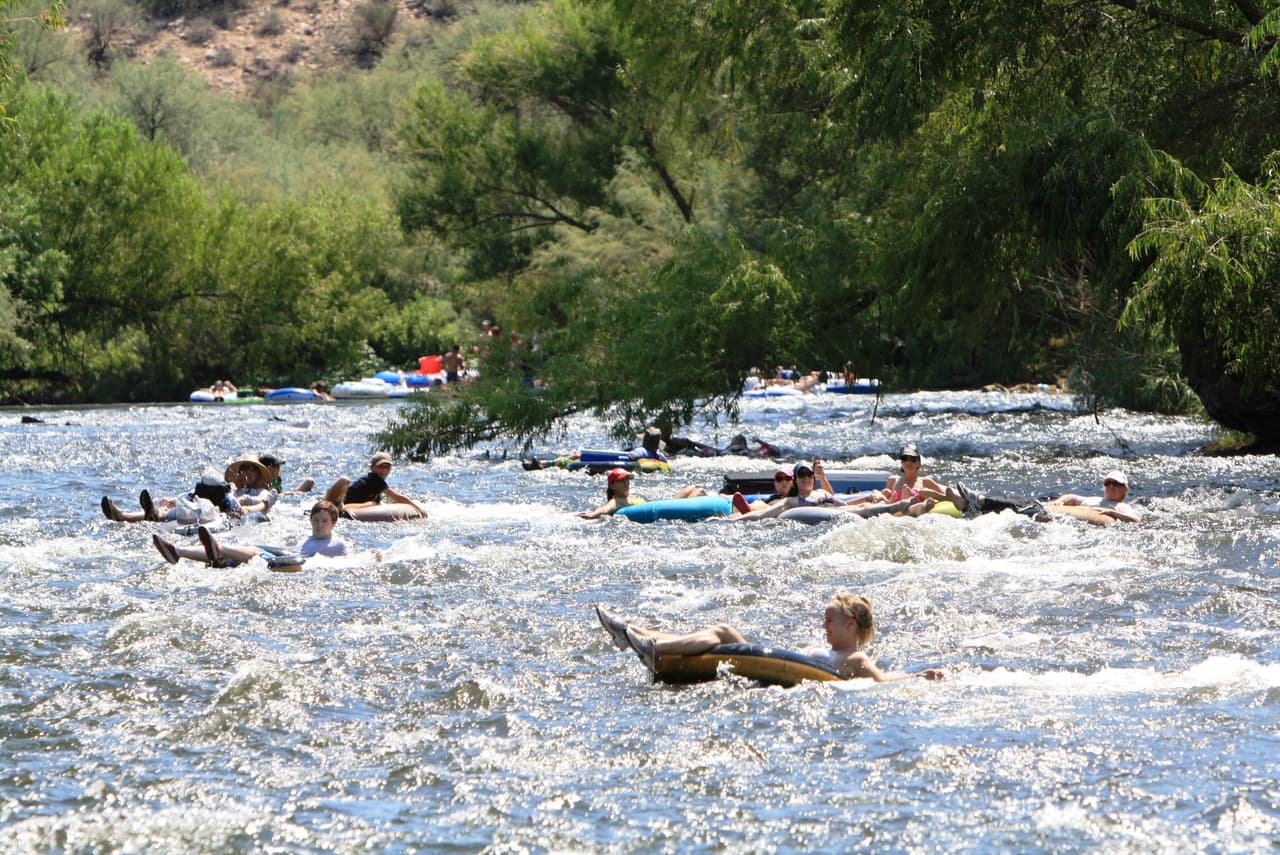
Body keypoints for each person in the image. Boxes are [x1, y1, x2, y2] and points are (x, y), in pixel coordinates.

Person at [596, 595, 945, 682]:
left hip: (788, 672)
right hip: (778, 663)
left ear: (851, 626)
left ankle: (648, 644)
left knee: (721, 631)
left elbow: (881, 682)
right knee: (721, 631)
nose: (825, 626)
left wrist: (919, 676)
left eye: (830, 621)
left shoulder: (855, 660)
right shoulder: (831, 650)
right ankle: (637, 634)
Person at [151, 500, 358, 569]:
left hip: (294, 565)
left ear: (333, 523)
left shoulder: (337, 543)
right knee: (249, 549)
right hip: (287, 557)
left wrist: (374, 558)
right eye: (315, 520)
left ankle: (218, 548)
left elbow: (351, 562)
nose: (319, 525)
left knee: (252, 551)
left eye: (324, 521)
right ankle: (177, 551)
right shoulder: (308, 539)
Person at [102, 471, 243, 523]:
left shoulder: (230, 500)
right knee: (164, 512)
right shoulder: (198, 491)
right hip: (194, 511)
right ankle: (122, 515)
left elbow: (239, 513)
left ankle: (155, 515)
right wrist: (173, 501)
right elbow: (187, 498)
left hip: (212, 517)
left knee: (164, 514)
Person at [844, 443, 944, 517]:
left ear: (918, 463)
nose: (908, 462)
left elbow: (944, 496)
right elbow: (885, 500)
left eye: (912, 459)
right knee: (866, 503)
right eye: (905, 459)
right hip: (893, 514)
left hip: (913, 514)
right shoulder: (894, 480)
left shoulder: (925, 482)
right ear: (901, 462)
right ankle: (840, 505)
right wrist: (877, 494)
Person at [323, 452, 428, 520]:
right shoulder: (374, 478)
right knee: (372, 503)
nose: (384, 470)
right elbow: (395, 495)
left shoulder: (376, 482)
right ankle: (337, 503)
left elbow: (387, 500)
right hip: (345, 502)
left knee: (375, 503)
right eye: (380, 466)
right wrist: (418, 508)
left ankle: (336, 505)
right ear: (372, 468)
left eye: (387, 467)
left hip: (354, 505)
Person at [576, 468, 707, 519]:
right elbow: (605, 509)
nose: (627, 483)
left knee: (692, 489)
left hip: (660, 506)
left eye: (627, 479)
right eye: (622, 480)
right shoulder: (616, 501)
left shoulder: (631, 498)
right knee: (699, 492)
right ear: (612, 485)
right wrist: (592, 515)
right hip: (662, 511)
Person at [731, 460, 840, 519]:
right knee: (762, 503)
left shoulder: (812, 494)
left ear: (792, 481)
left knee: (768, 504)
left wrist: (821, 476)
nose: (783, 482)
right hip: (773, 506)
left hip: (783, 505)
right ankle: (749, 508)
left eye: (787, 478)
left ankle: (750, 508)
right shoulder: (783, 500)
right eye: (779, 479)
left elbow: (831, 497)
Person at [1048, 469, 1142, 523]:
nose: (1111, 486)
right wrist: (1058, 502)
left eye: (1116, 483)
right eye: (1108, 483)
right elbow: (1072, 497)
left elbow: (1135, 520)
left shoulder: (1122, 507)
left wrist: (1113, 513)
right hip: (1069, 519)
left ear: (1124, 489)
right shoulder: (1092, 499)